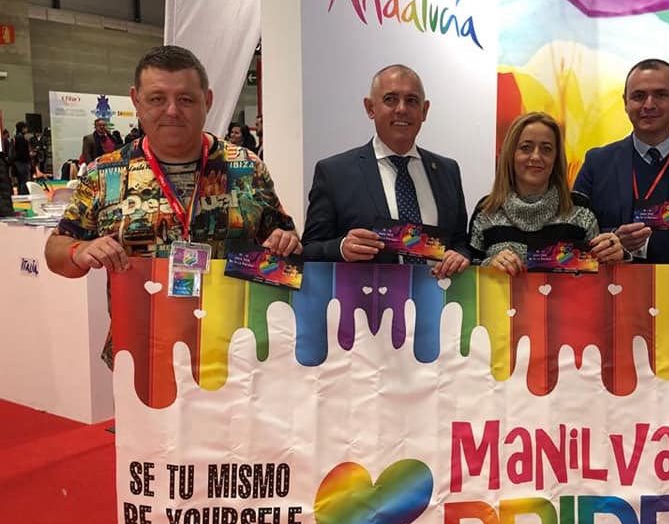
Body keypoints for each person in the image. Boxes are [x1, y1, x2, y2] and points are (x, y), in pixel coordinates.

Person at [45, 45, 301, 359]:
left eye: (186, 99)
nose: (172, 111)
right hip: (142, 357)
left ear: (207, 100)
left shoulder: (246, 167)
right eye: (157, 99)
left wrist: (286, 244)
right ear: (136, 100)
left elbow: (286, 257)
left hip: (237, 357)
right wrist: (80, 250)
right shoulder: (105, 173)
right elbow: (56, 252)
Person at [301, 64, 469, 279]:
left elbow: (460, 242)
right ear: (370, 108)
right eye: (390, 99)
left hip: (438, 295)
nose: (401, 109)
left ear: (424, 110)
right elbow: (309, 249)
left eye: (412, 101)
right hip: (366, 298)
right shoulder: (334, 173)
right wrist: (341, 248)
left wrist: (460, 255)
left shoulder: (447, 171)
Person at [573, 58, 669, 271]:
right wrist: (612, 241)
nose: (649, 105)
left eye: (661, 95)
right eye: (638, 96)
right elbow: (573, 237)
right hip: (614, 286)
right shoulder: (597, 164)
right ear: (625, 102)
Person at [468, 111, 622, 272]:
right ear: (510, 154)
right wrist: (488, 266)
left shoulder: (581, 210)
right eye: (526, 148)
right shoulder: (486, 211)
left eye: (546, 149)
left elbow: (600, 271)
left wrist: (612, 254)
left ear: (556, 158)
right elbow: (469, 269)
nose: (536, 157)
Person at [12, 121, 31, 195]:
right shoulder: (21, 138)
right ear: (23, 128)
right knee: (24, 180)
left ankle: (20, 194)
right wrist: (29, 156)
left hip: (17, 162)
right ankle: (24, 194)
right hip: (23, 162)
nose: (27, 130)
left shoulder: (16, 137)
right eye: (26, 128)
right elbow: (23, 152)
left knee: (20, 180)